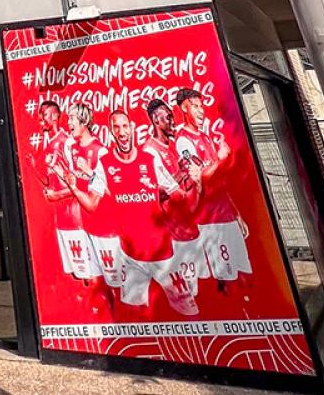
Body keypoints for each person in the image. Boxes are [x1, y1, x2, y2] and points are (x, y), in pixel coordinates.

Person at [102, 110, 198, 315]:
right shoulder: (106, 165)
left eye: (125, 126)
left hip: (161, 253)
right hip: (130, 255)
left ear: (132, 128)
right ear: (111, 132)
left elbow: (177, 195)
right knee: (133, 311)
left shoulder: (149, 159)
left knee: (188, 311)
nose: (121, 132)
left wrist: (195, 182)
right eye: (116, 127)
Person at [174, 88, 252, 282]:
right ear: (184, 108)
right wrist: (221, 158)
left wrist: (236, 214)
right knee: (227, 279)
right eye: (195, 107)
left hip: (227, 217)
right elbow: (201, 180)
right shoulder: (184, 141)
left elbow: (219, 183)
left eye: (202, 106)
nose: (201, 111)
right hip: (211, 223)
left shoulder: (205, 137)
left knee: (243, 274)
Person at [141, 98, 209, 298]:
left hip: (192, 224)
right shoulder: (150, 151)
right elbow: (156, 192)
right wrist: (182, 173)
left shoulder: (173, 145)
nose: (173, 121)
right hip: (175, 233)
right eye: (168, 117)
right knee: (189, 293)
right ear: (155, 119)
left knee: (203, 288)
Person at [55, 103, 120, 287]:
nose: (69, 123)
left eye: (72, 119)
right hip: (85, 224)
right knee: (92, 280)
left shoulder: (100, 151)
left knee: (114, 281)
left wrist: (91, 172)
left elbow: (112, 192)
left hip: (105, 227)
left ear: (84, 121)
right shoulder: (73, 148)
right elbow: (77, 183)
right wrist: (64, 175)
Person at [30, 100, 92, 279]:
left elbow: (80, 183)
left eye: (45, 114)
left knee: (87, 273)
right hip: (62, 219)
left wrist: (56, 195)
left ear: (56, 115)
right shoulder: (49, 144)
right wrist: (34, 167)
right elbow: (49, 182)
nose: (42, 118)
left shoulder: (67, 142)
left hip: (75, 217)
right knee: (75, 274)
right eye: (40, 114)